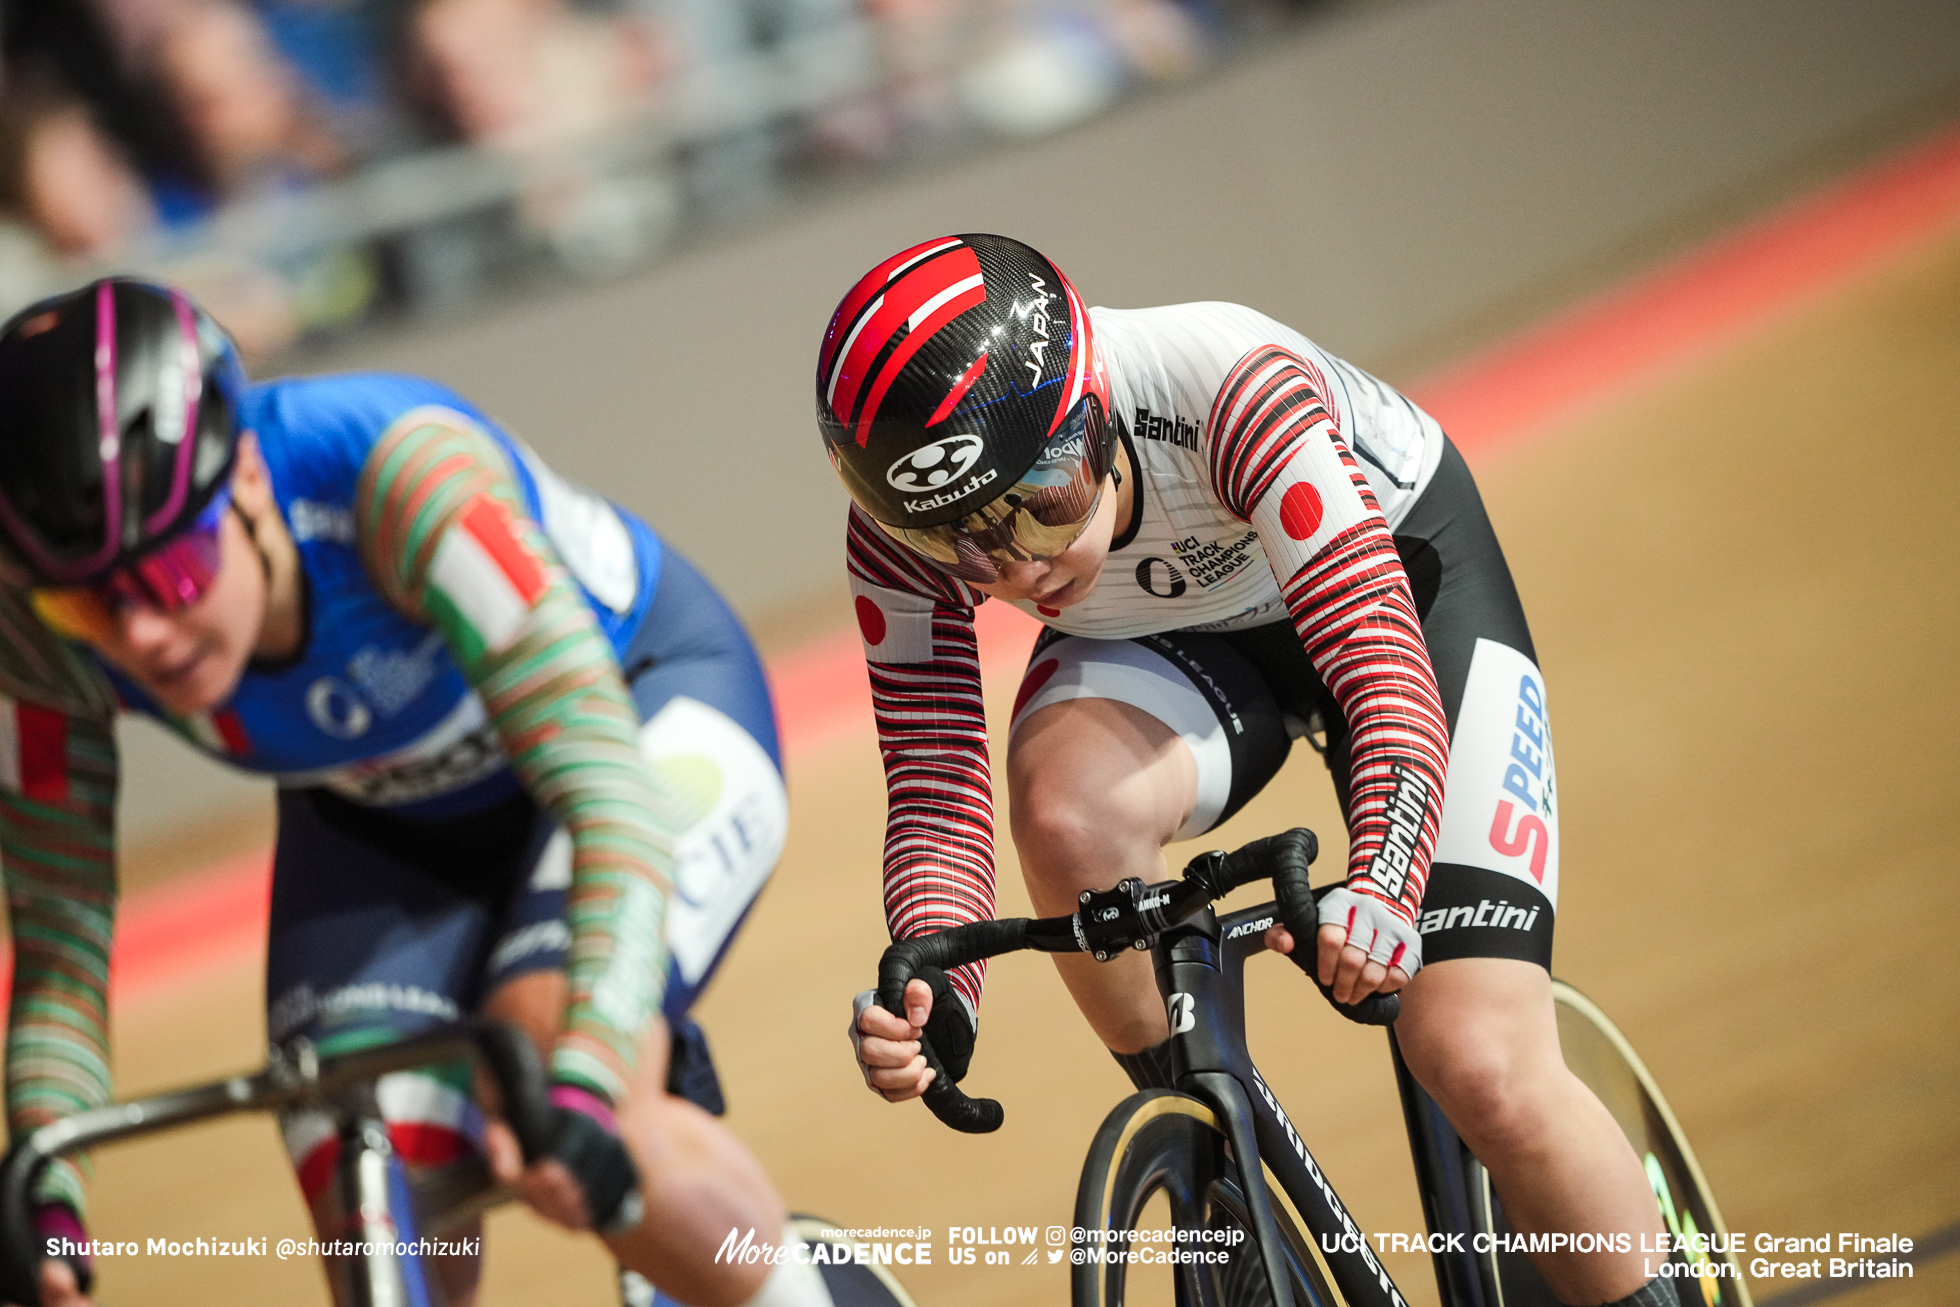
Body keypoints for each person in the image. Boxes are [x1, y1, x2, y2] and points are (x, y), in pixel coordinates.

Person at [832, 234, 1672, 1307]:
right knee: (1064, 819)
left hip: (1400, 585)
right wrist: (938, 993)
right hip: (1181, 638)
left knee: (1479, 1062)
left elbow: (1376, 664)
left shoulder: (1225, 383)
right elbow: (938, 788)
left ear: (1092, 406)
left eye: (1043, 495)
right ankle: (1205, 1141)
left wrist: (1384, 882)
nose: (1020, 563)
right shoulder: (895, 534)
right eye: (962, 540)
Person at [0, 278, 830, 1307]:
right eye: (91, 607)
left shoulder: (397, 474)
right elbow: (59, 947)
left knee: (546, 1066)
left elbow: (604, 787)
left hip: (638, 712)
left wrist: (582, 1071)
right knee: (366, 1192)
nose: (144, 639)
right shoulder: (32, 632)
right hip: (378, 818)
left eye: (172, 573)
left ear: (248, 475)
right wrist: (48, 1193)